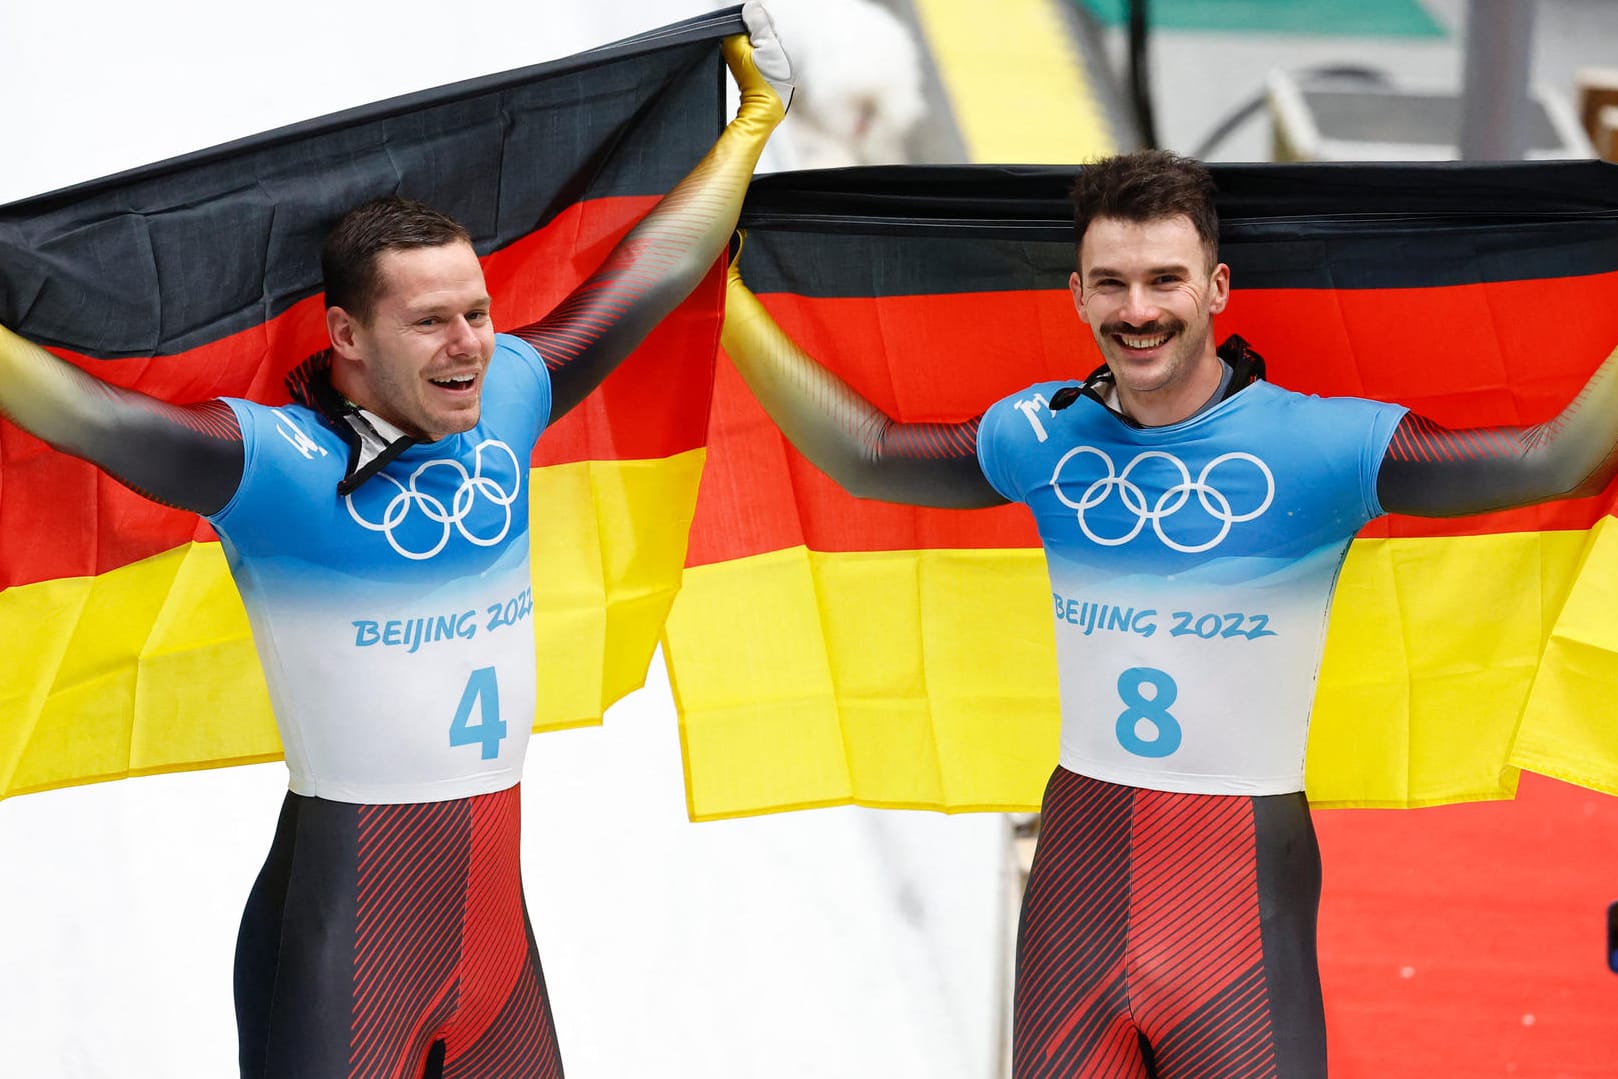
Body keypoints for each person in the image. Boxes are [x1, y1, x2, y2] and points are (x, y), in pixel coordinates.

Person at [0, 8, 789, 1077]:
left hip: (496, 946)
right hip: (342, 951)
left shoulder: (508, 391)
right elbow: (83, 415)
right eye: (431, 322)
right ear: (346, 336)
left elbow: (646, 275)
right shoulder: (275, 466)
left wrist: (751, 124)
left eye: (478, 310)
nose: (469, 343)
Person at [718, 149, 1618, 1078]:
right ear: (1076, 295)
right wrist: (727, 292)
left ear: (1218, 287)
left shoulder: (1322, 443)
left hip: (1236, 896)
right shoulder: (1043, 430)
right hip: (1079, 883)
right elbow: (868, 452)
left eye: (1164, 280)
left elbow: (1554, 461)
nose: (1137, 310)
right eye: (1110, 282)